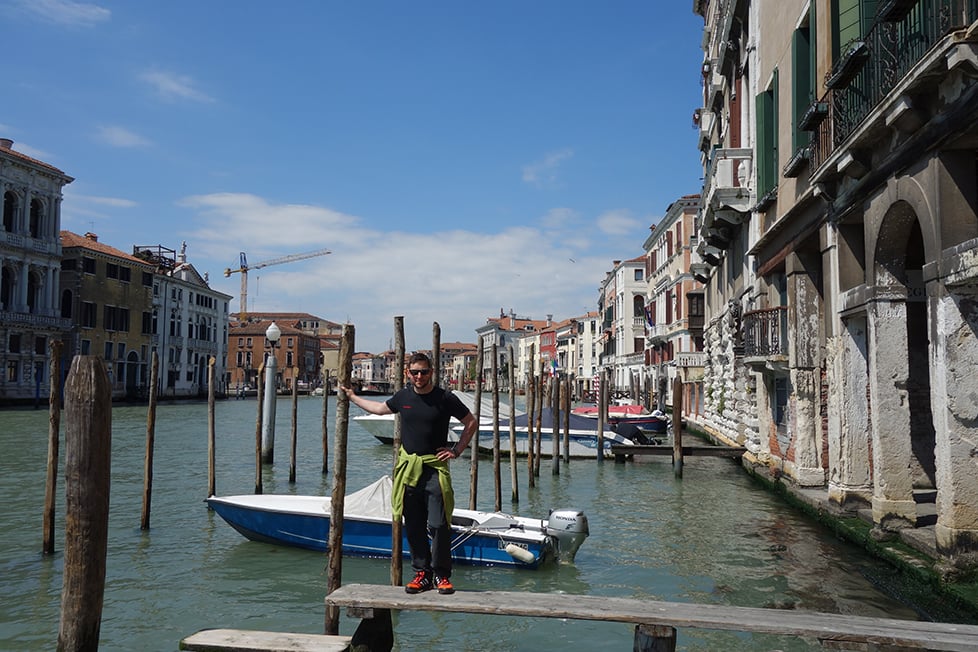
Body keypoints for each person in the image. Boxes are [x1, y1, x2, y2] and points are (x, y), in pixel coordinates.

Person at [341, 352, 477, 595]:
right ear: (408, 373)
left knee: (438, 523)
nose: (419, 376)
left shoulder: (445, 398)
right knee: (413, 524)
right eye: (414, 372)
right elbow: (380, 408)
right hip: (409, 470)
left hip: (434, 468)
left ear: (431, 372)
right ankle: (422, 573)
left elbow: (471, 422)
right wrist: (352, 397)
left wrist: (456, 450)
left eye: (424, 372)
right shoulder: (403, 396)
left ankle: (441, 576)